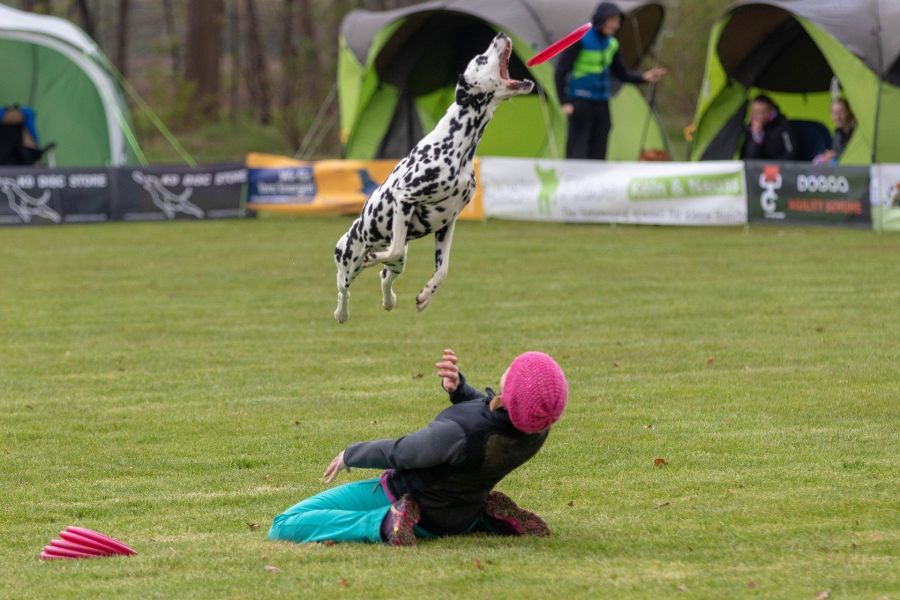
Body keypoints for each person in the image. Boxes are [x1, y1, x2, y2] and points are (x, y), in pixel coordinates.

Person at [268, 349, 569, 546]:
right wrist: (460, 390)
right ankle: (485, 518)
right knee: (464, 508)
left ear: (508, 394)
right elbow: (493, 419)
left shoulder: (458, 434)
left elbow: (405, 452)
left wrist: (351, 454)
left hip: (412, 500)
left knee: (283, 525)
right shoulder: (534, 428)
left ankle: (385, 522)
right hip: (461, 509)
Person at [554, 2, 666, 160]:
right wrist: (564, 101)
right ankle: (572, 181)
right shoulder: (581, 40)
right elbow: (561, 71)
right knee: (578, 147)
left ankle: (596, 181)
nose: (616, 25)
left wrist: (643, 77)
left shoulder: (612, 44)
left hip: (601, 102)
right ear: (602, 19)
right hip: (580, 102)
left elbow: (621, 73)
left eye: (618, 21)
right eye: (612, 20)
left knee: (600, 144)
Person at [740, 94, 799, 161]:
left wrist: (774, 167)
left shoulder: (784, 126)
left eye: (760, 112)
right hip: (759, 169)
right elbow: (748, 158)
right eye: (754, 112)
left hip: (780, 168)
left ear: (770, 112)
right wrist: (756, 137)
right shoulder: (750, 128)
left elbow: (792, 153)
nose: (756, 115)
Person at [813, 98, 856, 164]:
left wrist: (834, 155)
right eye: (834, 113)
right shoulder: (837, 133)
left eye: (841, 112)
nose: (837, 117)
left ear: (849, 112)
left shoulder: (856, 132)